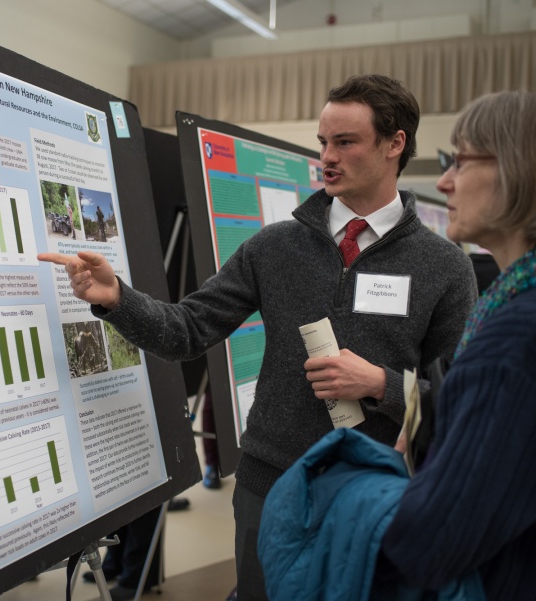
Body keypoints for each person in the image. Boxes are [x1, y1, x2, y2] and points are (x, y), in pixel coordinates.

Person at [39, 74, 478, 601]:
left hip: (374, 492)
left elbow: (462, 401)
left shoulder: (444, 267)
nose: (327, 158)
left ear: (394, 144)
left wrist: (379, 382)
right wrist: (116, 297)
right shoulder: (275, 247)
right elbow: (186, 330)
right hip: (267, 486)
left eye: (345, 142)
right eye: (323, 142)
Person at [381, 90, 536, 599]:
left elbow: (434, 537)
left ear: (527, 170)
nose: (444, 180)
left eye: (461, 159)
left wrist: (337, 487)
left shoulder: (527, 331)